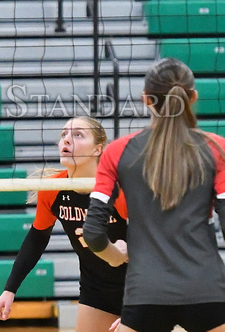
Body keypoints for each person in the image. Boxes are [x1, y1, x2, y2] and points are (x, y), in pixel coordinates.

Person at [83, 58, 225, 332]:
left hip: (146, 291)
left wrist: (114, 256)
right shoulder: (217, 149)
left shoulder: (117, 151)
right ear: (193, 97)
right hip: (205, 289)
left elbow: (92, 233)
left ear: (146, 99)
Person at [0, 116, 128, 332]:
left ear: (97, 149)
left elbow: (150, 247)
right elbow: (37, 239)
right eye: (64, 134)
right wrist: (10, 289)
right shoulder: (53, 189)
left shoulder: (120, 189)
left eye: (78, 135)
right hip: (96, 290)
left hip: (140, 288)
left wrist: (137, 308)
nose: (66, 140)